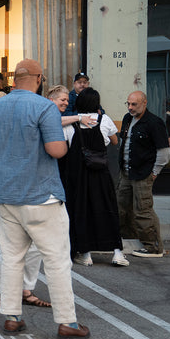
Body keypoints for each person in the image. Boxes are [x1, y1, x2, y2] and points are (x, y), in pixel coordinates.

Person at [0, 58, 90, 339]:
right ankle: (67, 322)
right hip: (42, 195)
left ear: (14, 79)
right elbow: (56, 150)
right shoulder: (44, 106)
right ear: (40, 78)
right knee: (57, 260)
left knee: (12, 257)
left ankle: (11, 316)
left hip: (6, 194)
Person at [62, 87, 127, 267]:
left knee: (81, 211)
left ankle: (86, 253)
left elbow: (65, 148)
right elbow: (114, 141)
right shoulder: (104, 119)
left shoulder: (70, 123)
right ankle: (117, 252)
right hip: (101, 173)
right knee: (107, 208)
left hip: (78, 175)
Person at [117, 90, 169, 258]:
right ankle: (131, 239)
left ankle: (154, 247)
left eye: (134, 104)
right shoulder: (127, 118)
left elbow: (164, 152)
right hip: (126, 172)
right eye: (128, 104)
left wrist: (154, 172)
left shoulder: (154, 122)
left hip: (143, 173)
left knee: (143, 210)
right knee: (122, 207)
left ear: (144, 103)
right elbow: (124, 142)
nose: (130, 107)